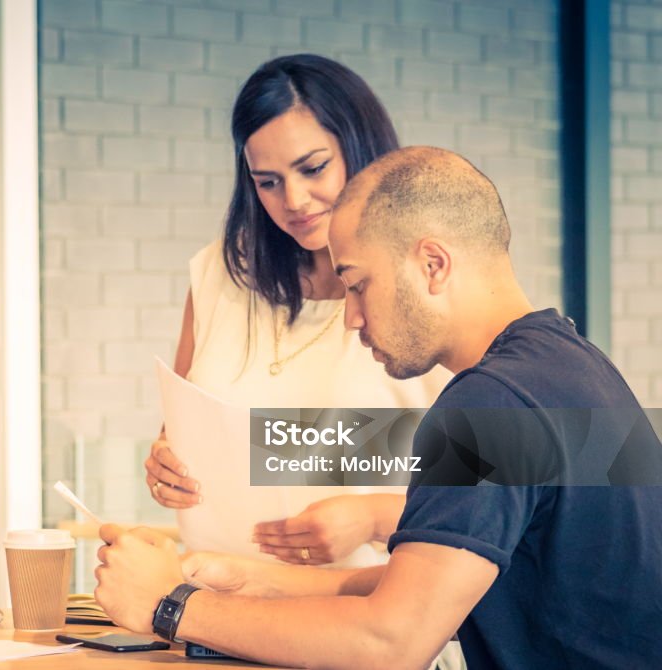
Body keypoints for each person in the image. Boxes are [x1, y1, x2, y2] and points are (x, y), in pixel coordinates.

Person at [96, 147, 662, 669]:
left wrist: (167, 605)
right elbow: (431, 584)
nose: (351, 317)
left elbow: (391, 642)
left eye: (358, 285)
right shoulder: (568, 366)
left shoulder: (489, 403)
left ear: (433, 264)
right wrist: (250, 581)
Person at [144, 54, 446, 567]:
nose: (295, 200)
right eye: (268, 181)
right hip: (220, 612)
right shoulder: (221, 272)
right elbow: (180, 432)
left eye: (313, 168)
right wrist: (165, 465)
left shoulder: (428, 280)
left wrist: (374, 516)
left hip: (362, 621)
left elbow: (501, 484)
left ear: (360, 149)